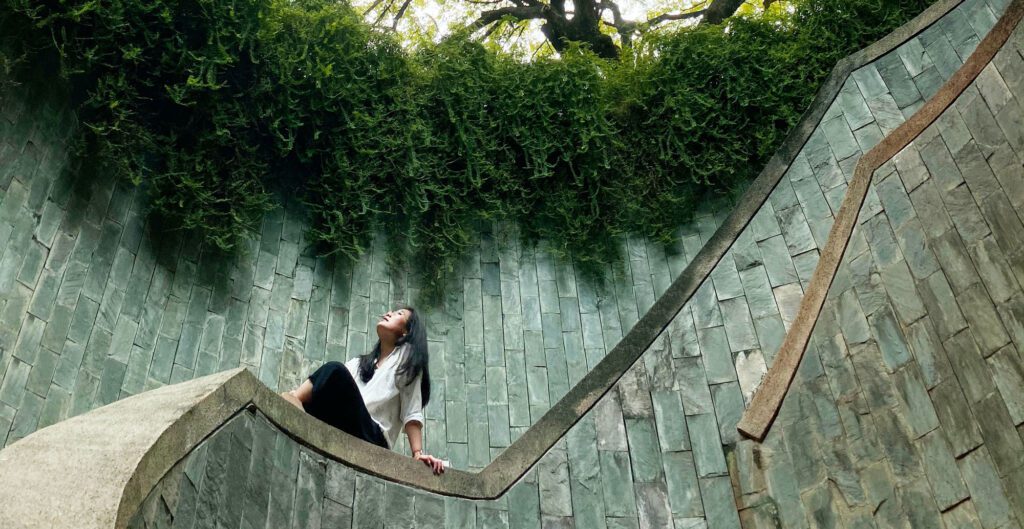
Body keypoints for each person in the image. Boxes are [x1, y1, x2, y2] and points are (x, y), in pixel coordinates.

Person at [280, 306, 445, 475]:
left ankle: (294, 400)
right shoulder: (360, 363)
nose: (388, 313)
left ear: (405, 332)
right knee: (331, 379)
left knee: (335, 370)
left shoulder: (406, 360)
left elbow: (412, 412)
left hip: (373, 438)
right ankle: (295, 403)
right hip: (349, 424)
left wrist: (417, 453)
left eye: (398, 314)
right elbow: (329, 383)